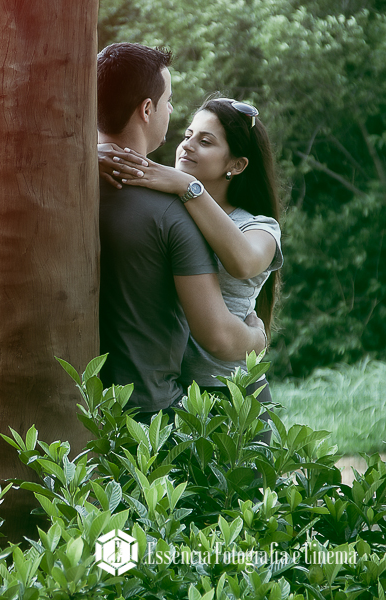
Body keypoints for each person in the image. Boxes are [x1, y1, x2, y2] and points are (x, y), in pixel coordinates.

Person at [95, 42, 267, 423]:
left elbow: (246, 259)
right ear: (146, 109)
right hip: (150, 415)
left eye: (205, 140)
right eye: (169, 100)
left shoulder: (59, 183)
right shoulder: (172, 214)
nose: (185, 140)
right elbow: (219, 337)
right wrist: (258, 339)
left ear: (237, 165)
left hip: (76, 411)